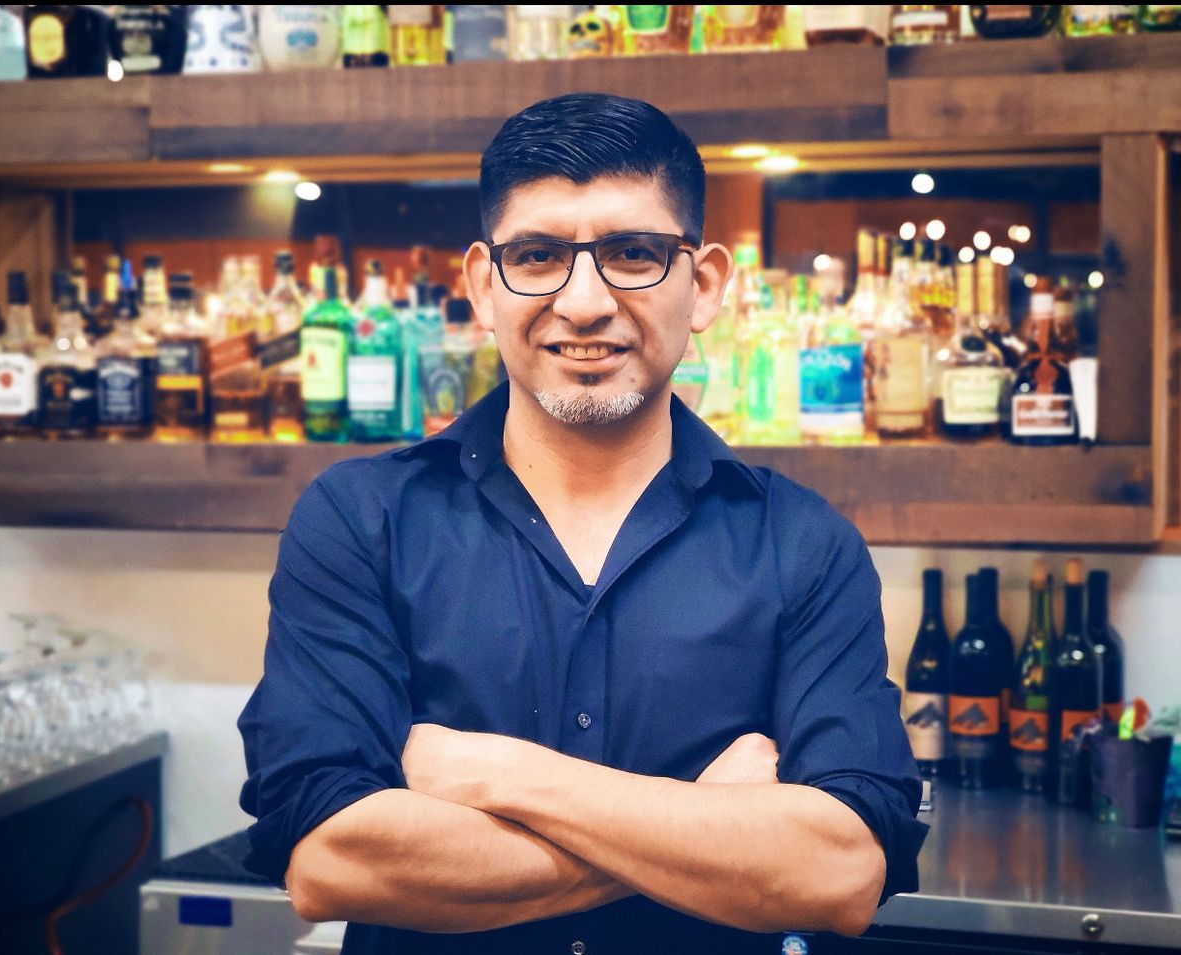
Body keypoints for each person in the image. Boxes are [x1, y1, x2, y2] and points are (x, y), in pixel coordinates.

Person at [239, 92, 927, 955]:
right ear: (485, 288)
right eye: (537, 255)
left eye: (633, 252)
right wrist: (710, 828)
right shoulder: (360, 520)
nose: (586, 301)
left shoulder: (805, 546)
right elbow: (330, 859)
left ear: (705, 283)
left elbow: (842, 872)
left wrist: (502, 776)